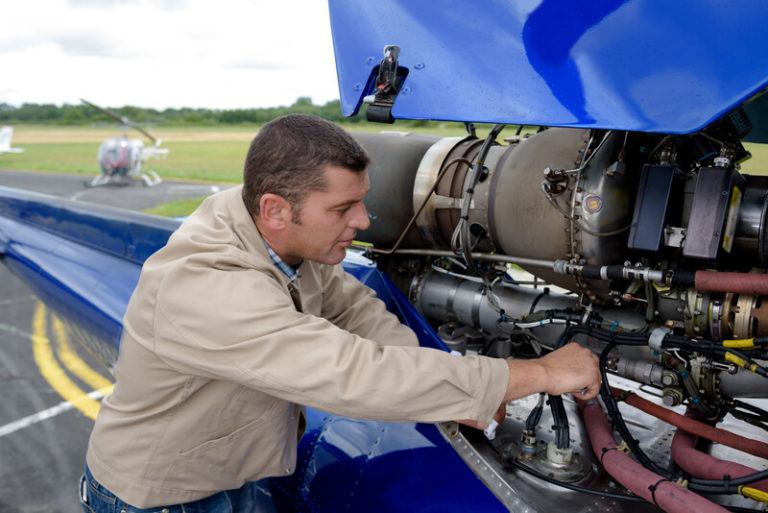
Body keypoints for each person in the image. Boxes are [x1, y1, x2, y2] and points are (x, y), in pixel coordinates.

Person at [80, 114, 600, 512]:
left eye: (361, 201)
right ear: (275, 210)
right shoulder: (209, 287)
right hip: (159, 499)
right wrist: (535, 374)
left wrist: (451, 393)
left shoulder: (276, 233)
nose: (364, 220)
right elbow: (351, 375)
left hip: (234, 474)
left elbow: (352, 308)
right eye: (342, 209)